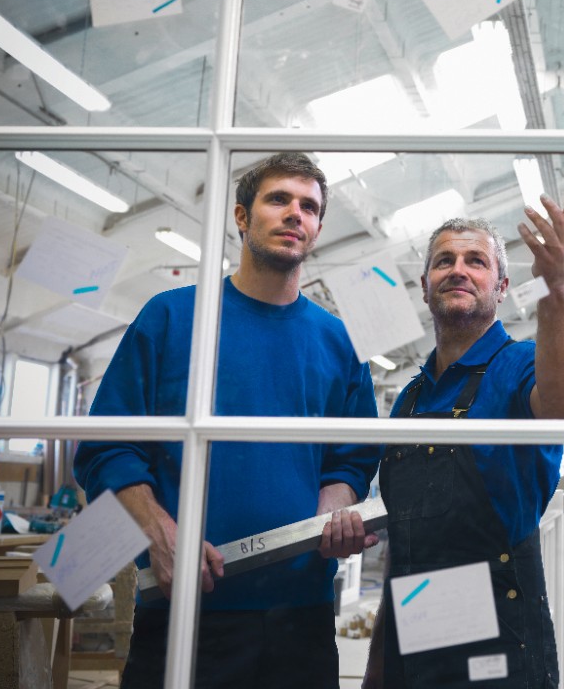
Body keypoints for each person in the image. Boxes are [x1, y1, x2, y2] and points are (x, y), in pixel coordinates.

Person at [74, 152, 381, 689]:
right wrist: (159, 532)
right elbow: (108, 446)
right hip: (186, 607)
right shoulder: (171, 318)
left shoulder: (338, 341)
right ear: (242, 216)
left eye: (309, 207)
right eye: (278, 199)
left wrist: (335, 510)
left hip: (300, 617)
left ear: (317, 228)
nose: (295, 213)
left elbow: (350, 459)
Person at [364, 191, 564, 689]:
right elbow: (404, 550)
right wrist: (378, 668)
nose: (458, 270)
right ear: (425, 287)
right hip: (414, 641)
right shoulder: (409, 399)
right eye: (444, 261)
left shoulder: (520, 365)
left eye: (476, 261)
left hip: (499, 647)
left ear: (502, 286)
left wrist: (556, 284)